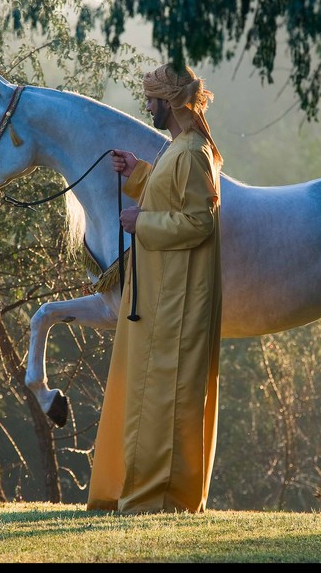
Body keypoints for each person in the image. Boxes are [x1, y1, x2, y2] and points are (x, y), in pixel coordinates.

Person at [86, 63, 224, 514]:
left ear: (171, 102)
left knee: (165, 395)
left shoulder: (192, 153)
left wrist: (140, 221)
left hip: (177, 299)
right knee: (147, 392)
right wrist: (140, 173)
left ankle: (159, 499)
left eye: (152, 100)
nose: (147, 106)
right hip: (162, 293)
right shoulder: (179, 148)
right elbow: (175, 196)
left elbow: (199, 222)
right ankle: (136, 491)